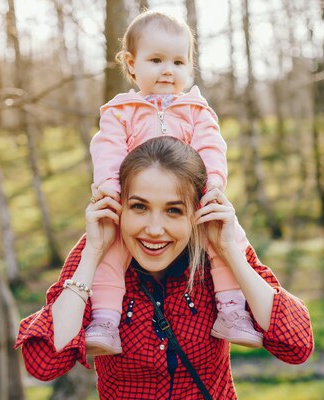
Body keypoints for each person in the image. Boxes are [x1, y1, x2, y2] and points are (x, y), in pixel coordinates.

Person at [16, 137, 313, 400]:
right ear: (120, 207)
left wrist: (230, 251)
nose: (154, 229)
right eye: (139, 207)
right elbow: (45, 362)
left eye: (173, 210)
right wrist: (93, 253)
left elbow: (296, 346)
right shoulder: (98, 254)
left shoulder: (218, 255)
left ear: (195, 213)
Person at [86, 10, 260, 355]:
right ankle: (105, 319)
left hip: (188, 204)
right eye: (156, 60)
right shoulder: (122, 111)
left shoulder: (195, 110)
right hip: (136, 204)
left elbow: (212, 147)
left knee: (226, 242)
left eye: (179, 62)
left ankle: (232, 310)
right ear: (131, 64)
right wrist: (111, 187)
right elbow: (107, 149)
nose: (169, 69)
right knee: (110, 250)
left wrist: (213, 187)